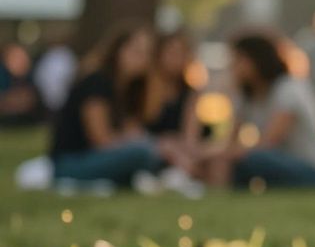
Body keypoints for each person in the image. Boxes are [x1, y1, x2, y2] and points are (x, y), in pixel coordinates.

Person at [203, 32, 315, 189]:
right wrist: (210, 155)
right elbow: (230, 142)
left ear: (256, 60)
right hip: (272, 162)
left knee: (252, 158)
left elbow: (268, 144)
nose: (233, 66)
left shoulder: (288, 89)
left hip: (307, 169)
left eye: (238, 60)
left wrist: (220, 154)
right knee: (230, 160)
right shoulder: (247, 95)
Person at [48, 23, 163, 186]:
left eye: (147, 53)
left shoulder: (130, 90)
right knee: (144, 153)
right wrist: (141, 142)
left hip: (101, 158)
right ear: (117, 50)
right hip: (72, 162)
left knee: (153, 150)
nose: (142, 58)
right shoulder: (97, 82)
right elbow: (101, 140)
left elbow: (133, 129)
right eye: (136, 51)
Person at [141, 30, 207, 193]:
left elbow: (190, 137)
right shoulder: (143, 88)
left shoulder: (190, 93)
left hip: (178, 152)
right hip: (150, 148)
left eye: (181, 53)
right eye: (171, 52)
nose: (176, 58)